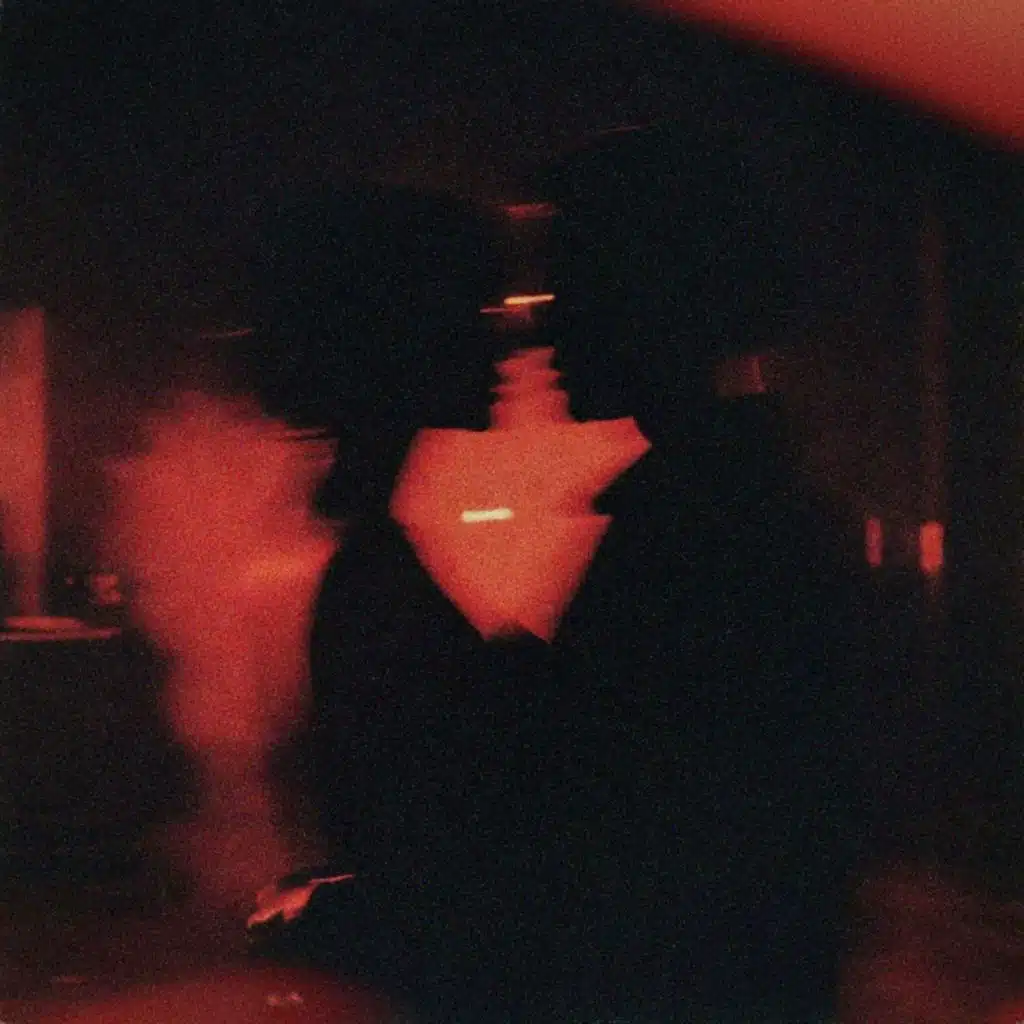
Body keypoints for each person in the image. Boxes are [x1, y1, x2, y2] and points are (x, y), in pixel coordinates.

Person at [248, 159, 871, 1023]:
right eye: (482, 311)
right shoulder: (710, 526)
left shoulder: (691, 544)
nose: (530, 333)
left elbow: (611, 868)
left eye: (570, 289)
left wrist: (354, 924)